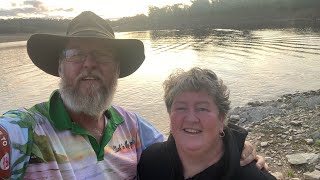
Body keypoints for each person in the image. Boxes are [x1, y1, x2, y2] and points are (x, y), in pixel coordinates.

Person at [0, 11, 264, 179]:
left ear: (116, 70)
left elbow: (184, 149)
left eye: (102, 55)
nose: (89, 64)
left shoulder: (133, 127)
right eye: (76, 54)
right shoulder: (23, 131)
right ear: (60, 66)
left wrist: (234, 149)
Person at [138, 68, 276, 180]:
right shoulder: (150, 162)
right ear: (170, 115)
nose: (191, 118)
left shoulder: (250, 175)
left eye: (202, 108)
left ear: (221, 119)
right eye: (181, 108)